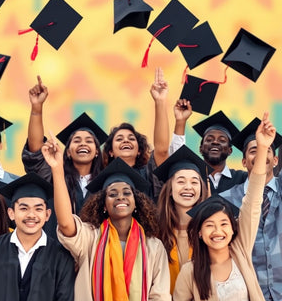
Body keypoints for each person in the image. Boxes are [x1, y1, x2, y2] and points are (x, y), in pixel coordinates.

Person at [42, 136, 172, 301]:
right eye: (112, 194)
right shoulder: (90, 238)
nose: (120, 197)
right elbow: (66, 224)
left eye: (127, 193)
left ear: (136, 202)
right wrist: (57, 169)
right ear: (103, 205)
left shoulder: (153, 246)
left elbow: (160, 296)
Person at [173, 112, 274, 301]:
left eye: (224, 224)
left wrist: (262, 147)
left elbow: (253, 199)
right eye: (209, 225)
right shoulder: (190, 271)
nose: (218, 230)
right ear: (200, 232)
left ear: (233, 227)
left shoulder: (240, 250)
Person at [0, 172, 75, 301]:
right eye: (24, 208)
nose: (31, 215)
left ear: (47, 215)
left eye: (38, 209)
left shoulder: (61, 257)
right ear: (11, 213)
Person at [22, 76, 107, 238]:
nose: (83, 144)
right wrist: (36, 108)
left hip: (96, 255)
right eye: (76, 140)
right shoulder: (54, 176)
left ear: (97, 151)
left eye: (89, 141)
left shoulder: (106, 182)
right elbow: (35, 150)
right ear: (67, 151)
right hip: (57, 253)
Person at [220, 117, 282, 301]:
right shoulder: (226, 201)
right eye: (253, 151)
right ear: (244, 162)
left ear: (276, 160)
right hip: (251, 294)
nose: (260, 156)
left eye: (266, 150)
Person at [103, 67, 170, 201]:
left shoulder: (148, 174)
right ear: (110, 151)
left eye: (131, 138)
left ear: (139, 151)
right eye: (119, 139)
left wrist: (160, 102)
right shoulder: (102, 178)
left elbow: (162, 150)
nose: (125, 141)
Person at [154, 144, 210, 293]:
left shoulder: (210, 231)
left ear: (201, 189)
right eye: (181, 181)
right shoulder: (155, 233)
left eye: (194, 182)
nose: (188, 187)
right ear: (170, 190)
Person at [170, 99, 247, 193]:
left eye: (222, 140)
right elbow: (177, 157)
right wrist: (180, 122)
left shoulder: (241, 179)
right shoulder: (192, 177)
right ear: (201, 149)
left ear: (230, 150)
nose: (215, 142)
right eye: (209, 139)